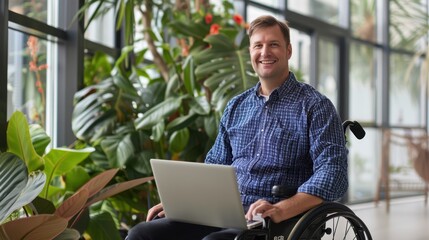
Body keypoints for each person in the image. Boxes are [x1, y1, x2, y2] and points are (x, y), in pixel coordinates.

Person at [126, 15, 348, 240]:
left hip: (275, 222)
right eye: (258, 46)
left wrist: (281, 209)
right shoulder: (236, 106)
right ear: (250, 52)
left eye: (273, 45)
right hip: (222, 213)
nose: (265, 53)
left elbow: (333, 173)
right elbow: (214, 165)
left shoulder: (315, 106)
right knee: (142, 234)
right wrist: (181, 203)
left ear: (289, 51)